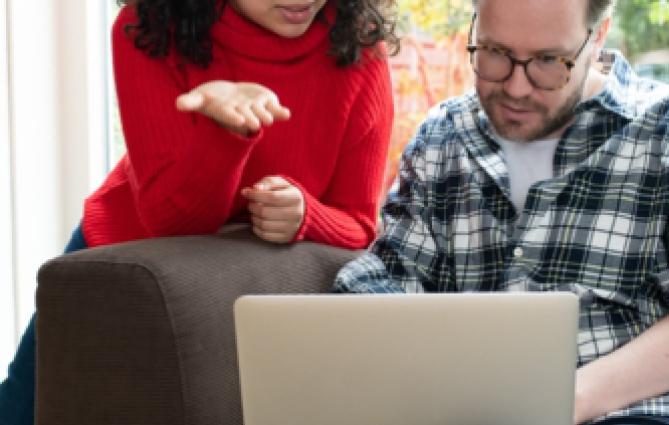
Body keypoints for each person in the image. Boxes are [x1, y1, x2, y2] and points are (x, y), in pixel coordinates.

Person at [333, 0, 669, 424]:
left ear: (599, 36)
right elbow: (387, 282)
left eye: (549, 61)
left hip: (657, 409)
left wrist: (568, 397)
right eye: (494, 52)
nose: (514, 86)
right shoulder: (442, 138)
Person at [0, 0, 397, 423]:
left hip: (248, 285)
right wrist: (225, 133)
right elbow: (172, 221)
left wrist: (307, 216)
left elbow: (359, 225)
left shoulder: (359, 45)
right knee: (22, 408)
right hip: (122, 259)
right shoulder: (148, 26)